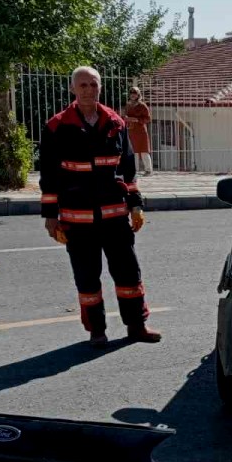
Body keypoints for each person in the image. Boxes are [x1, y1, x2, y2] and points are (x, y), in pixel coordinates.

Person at [40, 66, 161, 346]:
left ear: (100, 88)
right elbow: (49, 175)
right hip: (77, 219)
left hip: (115, 217)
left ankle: (137, 326)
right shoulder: (57, 126)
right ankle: (97, 330)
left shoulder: (115, 123)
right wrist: (50, 216)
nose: (88, 90)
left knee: (129, 274)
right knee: (87, 278)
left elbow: (128, 171)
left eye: (93, 85)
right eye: (82, 85)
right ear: (72, 89)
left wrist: (136, 206)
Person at [125, 87, 153, 176]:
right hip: (131, 130)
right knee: (133, 151)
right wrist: (126, 118)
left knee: (144, 151)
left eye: (135, 93)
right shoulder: (128, 105)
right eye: (131, 93)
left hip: (141, 131)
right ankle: (134, 170)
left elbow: (148, 118)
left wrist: (136, 120)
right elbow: (126, 115)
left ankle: (148, 170)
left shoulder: (142, 105)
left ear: (138, 95)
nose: (133, 95)